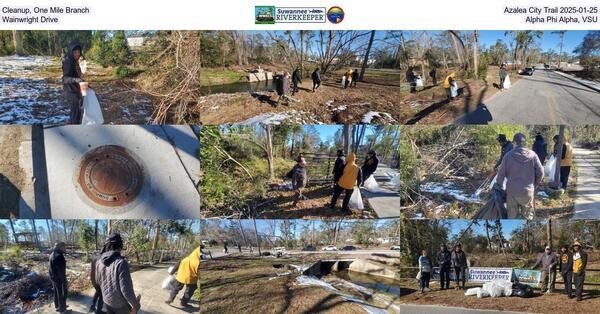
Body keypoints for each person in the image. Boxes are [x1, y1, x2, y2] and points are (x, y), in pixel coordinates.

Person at [496, 133, 544, 219]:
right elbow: (541, 173)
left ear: (514, 143)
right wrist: (534, 185)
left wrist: (499, 187)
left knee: (512, 217)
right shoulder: (533, 155)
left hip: (512, 192)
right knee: (527, 218)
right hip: (528, 192)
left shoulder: (508, 156)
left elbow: (500, 174)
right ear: (524, 143)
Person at [95, 233, 141, 314]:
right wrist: (136, 305)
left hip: (106, 302)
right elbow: (126, 290)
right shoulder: (121, 263)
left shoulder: (99, 262)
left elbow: (98, 281)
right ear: (120, 246)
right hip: (119, 305)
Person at [62, 42, 86, 124]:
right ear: (70, 52)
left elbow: (77, 74)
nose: (77, 54)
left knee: (78, 112)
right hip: (70, 91)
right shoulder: (68, 61)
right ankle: (74, 128)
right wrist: (76, 80)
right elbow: (65, 78)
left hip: (76, 89)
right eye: (75, 52)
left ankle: (76, 126)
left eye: (78, 52)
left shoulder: (75, 61)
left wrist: (85, 84)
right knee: (75, 114)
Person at [49, 242, 68, 314]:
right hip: (59, 279)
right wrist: (65, 281)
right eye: (64, 247)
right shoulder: (59, 256)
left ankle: (57, 306)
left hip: (53, 277)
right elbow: (61, 272)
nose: (65, 248)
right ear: (60, 247)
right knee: (62, 294)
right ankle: (62, 310)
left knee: (56, 292)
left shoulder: (52, 254)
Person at [90, 245, 107, 314]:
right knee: (102, 295)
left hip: (93, 279)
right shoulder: (103, 258)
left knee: (97, 292)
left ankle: (92, 306)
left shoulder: (96, 257)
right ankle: (98, 311)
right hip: (99, 280)